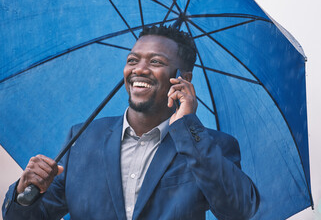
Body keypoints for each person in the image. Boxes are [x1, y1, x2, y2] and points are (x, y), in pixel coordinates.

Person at [2, 25, 259, 220]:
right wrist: (26, 194)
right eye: (133, 60)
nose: (139, 69)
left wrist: (188, 124)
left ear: (183, 77)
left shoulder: (211, 145)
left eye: (156, 62)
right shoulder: (83, 139)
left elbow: (239, 209)